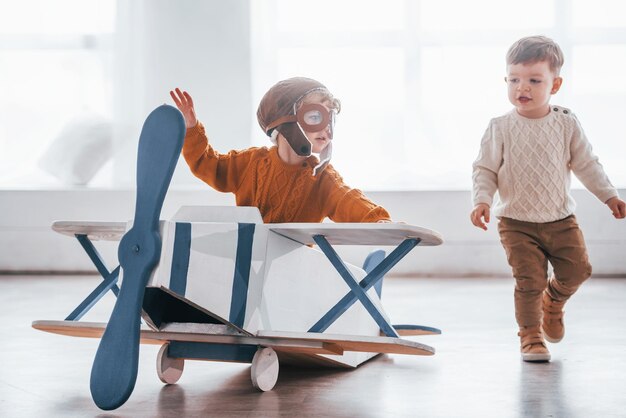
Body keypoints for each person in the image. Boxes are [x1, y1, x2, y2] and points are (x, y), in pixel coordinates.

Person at [470, 35, 625, 362]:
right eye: (514, 79)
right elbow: (484, 168)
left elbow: (586, 163)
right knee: (529, 281)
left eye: (533, 80)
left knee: (578, 271)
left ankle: (552, 302)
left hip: (560, 218)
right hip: (516, 221)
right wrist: (482, 200)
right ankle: (530, 335)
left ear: (555, 85)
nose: (521, 88)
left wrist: (609, 195)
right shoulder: (500, 127)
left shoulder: (566, 123)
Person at [169, 77, 391, 224]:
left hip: (292, 273)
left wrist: (377, 220)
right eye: (316, 116)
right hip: (248, 264)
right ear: (284, 122)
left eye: (330, 118)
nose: (325, 127)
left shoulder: (321, 178)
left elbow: (346, 199)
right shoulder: (251, 163)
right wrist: (191, 129)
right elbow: (209, 165)